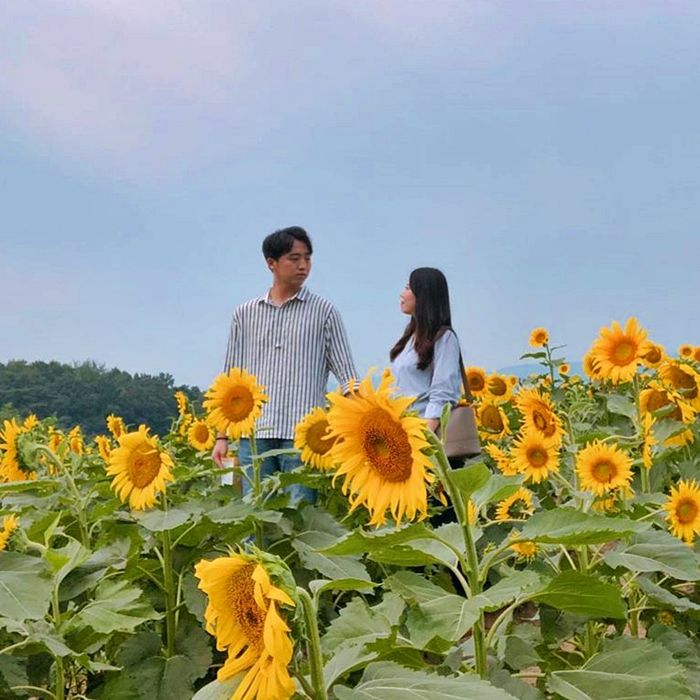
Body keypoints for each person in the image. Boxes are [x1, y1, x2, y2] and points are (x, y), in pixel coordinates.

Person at [212, 226, 357, 505]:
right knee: (254, 520)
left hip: (303, 438)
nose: (303, 265)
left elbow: (348, 376)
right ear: (271, 263)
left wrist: (361, 426)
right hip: (254, 436)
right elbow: (229, 381)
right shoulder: (245, 314)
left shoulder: (324, 312)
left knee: (300, 520)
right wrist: (221, 436)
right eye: (294, 258)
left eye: (307, 258)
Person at [389, 267, 463, 432]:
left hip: (424, 435)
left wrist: (425, 439)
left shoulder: (445, 338)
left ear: (423, 296)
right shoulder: (410, 337)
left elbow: (442, 394)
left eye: (408, 288)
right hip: (403, 433)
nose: (402, 294)